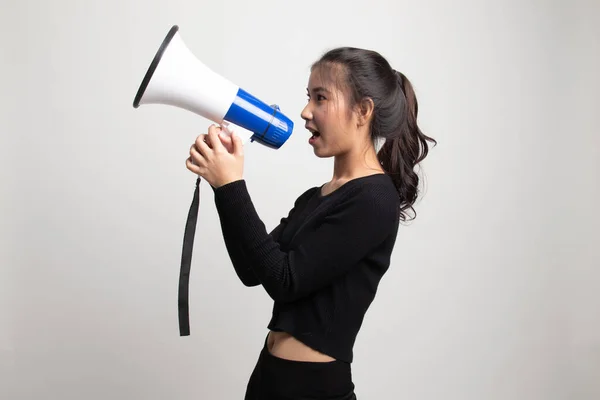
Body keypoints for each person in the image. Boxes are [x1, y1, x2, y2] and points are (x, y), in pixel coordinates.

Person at [185, 46, 436, 399]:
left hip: (313, 390)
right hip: (268, 379)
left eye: (321, 98)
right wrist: (221, 184)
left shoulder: (374, 199)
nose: (305, 111)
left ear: (362, 111)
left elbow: (285, 281)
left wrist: (232, 186)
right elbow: (251, 269)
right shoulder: (314, 197)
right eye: (308, 97)